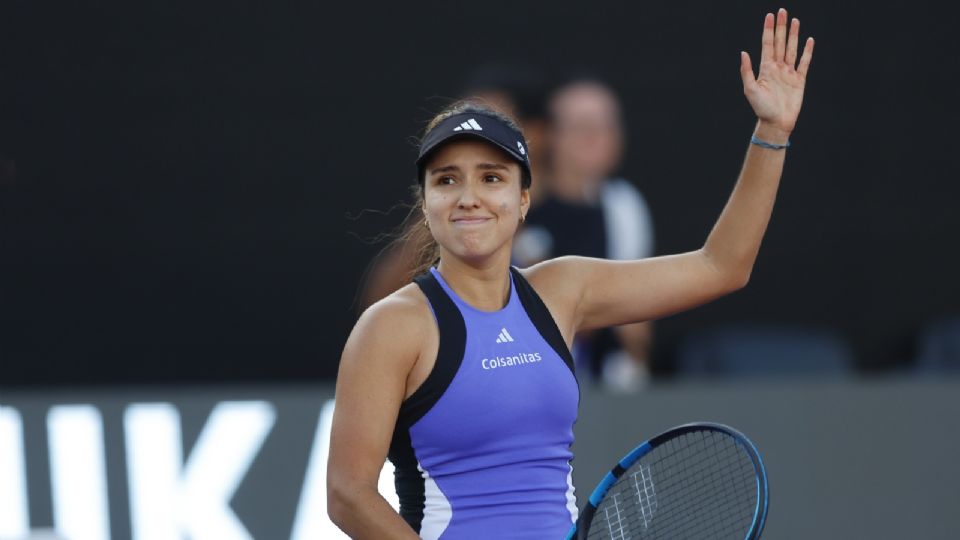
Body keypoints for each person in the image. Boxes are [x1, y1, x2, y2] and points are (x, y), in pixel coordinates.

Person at [327, 9, 814, 538]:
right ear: (426, 204)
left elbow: (722, 266)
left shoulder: (563, 290)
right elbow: (347, 495)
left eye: (491, 178)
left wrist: (772, 131)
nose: (469, 197)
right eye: (447, 180)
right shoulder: (391, 326)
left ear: (523, 199)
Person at [514, 76, 656, 391]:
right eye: (582, 126)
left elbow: (635, 322)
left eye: (606, 126)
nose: (596, 137)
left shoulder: (623, 205)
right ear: (551, 135)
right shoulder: (515, 206)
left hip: (604, 388)